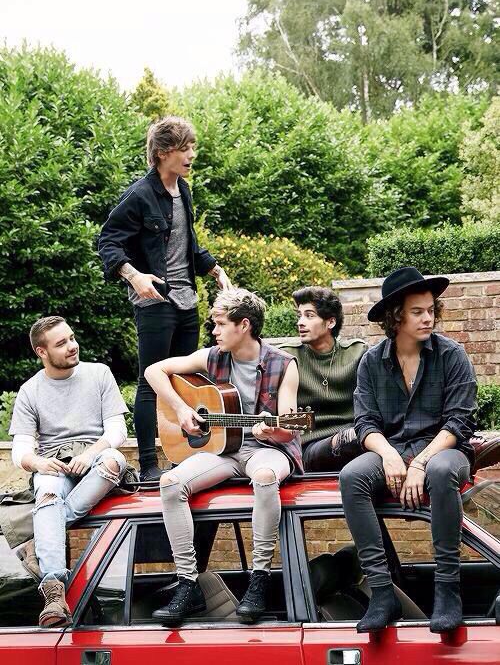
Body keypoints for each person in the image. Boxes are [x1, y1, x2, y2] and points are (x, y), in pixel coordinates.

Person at [144, 288, 301, 625]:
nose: (213, 331)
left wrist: (270, 430)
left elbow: (290, 428)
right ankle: (188, 583)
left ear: (243, 325)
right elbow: (153, 372)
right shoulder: (213, 356)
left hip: (268, 450)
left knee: (263, 478)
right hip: (224, 450)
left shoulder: (283, 364)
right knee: (170, 482)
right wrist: (182, 409)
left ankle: (259, 579)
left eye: (219, 324)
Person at [339, 267, 476, 633]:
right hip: (393, 449)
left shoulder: (452, 355)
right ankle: (382, 593)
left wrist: (419, 464)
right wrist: (389, 455)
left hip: (445, 450)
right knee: (352, 476)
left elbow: (459, 422)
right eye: (418, 311)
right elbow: (365, 424)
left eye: (431, 309)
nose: (428, 317)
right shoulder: (371, 361)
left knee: (441, 470)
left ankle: (448, 591)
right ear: (395, 316)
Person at [98, 116, 231, 482]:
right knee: (151, 380)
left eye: (192, 147)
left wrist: (215, 270)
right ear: (161, 154)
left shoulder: (183, 191)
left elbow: (187, 244)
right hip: (154, 301)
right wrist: (133, 275)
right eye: (184, 148)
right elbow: (107, 242)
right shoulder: (140, 195)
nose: (191, 154)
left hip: (187, 300)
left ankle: (182, 456)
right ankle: (149, 464)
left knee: (184, 380)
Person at [9, 316, 129, 628]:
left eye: (72, 338)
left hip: (98, 458)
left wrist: (90, 455)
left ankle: (47, 523)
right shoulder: (30, 390)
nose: (72, 346)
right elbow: (21, 451)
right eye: (61, 343)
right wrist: (38, 463)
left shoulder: (99, 373)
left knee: (114, 459)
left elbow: (117, 431)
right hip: (55, 464)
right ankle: (53, 590)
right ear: (42, 352)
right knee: (46, 488)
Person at [279, 286, 367, 471]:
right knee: (352, 438)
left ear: (331, 322)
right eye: (299, 315)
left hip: (358, 439)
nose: (301, 322)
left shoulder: (357, 353)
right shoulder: (287, 357)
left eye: (309, 316)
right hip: (309, 447)